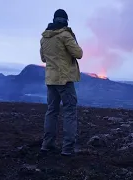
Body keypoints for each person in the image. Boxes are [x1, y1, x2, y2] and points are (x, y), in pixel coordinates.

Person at [39, 9, 83, 156]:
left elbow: (43, 58)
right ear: (65, 20)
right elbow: (79, 54)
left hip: (51, 80)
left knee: (52, 111)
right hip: (64, 80)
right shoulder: (65, 35)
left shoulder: (44, 37)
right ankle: (68, 149)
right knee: (70, 112)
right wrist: (73, 37)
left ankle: (47, 144)